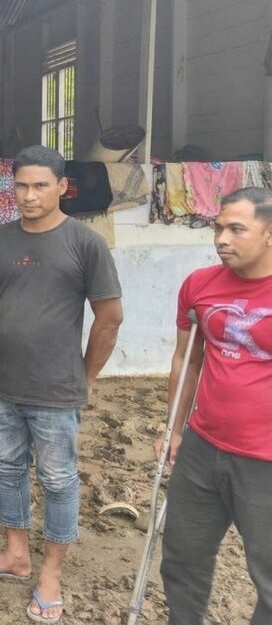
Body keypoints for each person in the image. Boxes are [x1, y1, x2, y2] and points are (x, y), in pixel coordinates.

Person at [0, 145, 123, 624]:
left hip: (56, 391)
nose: (29, 195)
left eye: (40, 186)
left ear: (62, 187)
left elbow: (109, 318)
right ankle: (15, 554)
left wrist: (85, 377)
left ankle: (50, 573)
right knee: (7, 469)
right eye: (21, 185)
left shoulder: (85, 243)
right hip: (1, 384)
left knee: (58, 480)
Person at [158, 187, 272, 624]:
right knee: (182, 557)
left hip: (264, 461)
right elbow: (187, 361)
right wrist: (174, 427)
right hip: (202, 447)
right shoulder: (200, 285)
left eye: (236, 229)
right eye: (218, 227)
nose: (222, 239)